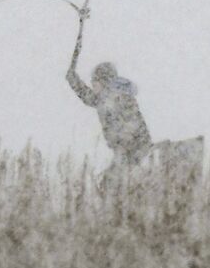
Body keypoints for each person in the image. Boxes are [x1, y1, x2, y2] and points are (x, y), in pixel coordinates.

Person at [65, 10, 153, 168]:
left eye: (95, 81)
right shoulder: (114, 96)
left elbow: (131, 129)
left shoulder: (113, 98)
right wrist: (71, 76)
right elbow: (87, 95)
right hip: (133, 152)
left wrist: (124, 152)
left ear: (104, 82)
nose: (93, 85)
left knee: (112, 185)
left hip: (131, 153)